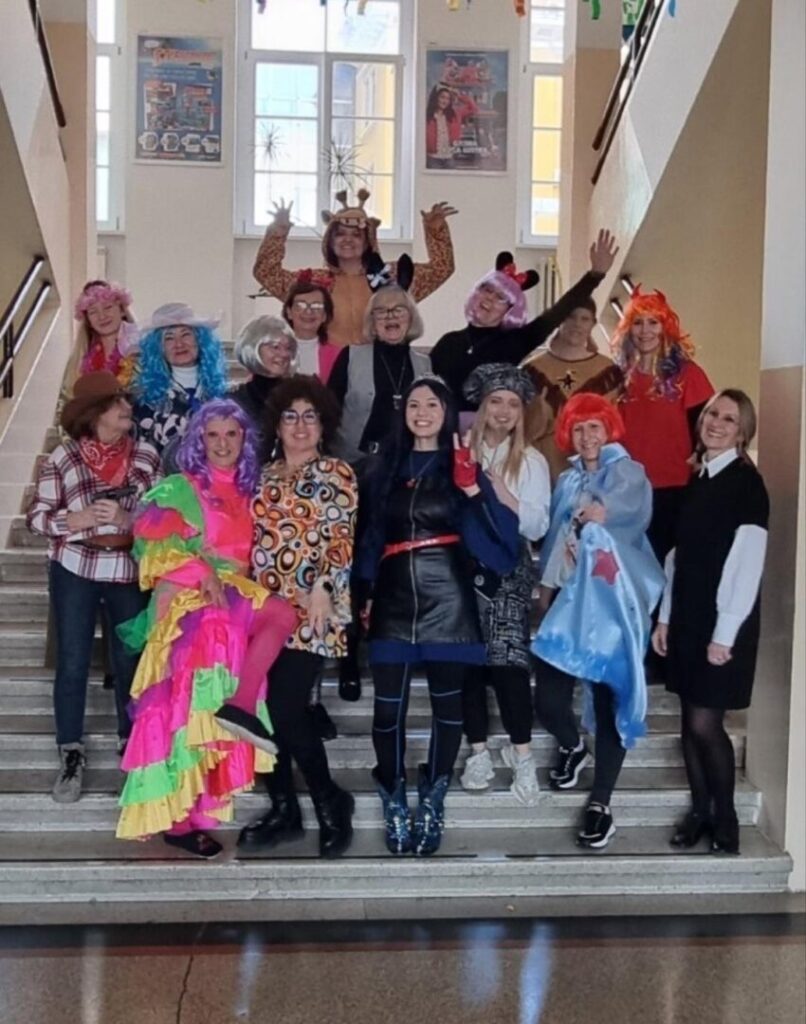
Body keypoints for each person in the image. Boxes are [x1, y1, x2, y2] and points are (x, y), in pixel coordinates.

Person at [116, 399, 297, 859]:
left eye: (231, 434)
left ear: (244, 440)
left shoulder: (253, 489)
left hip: (237, 595)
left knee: (280, 618)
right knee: (188, 709)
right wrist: (202, 573)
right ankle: (178, 821)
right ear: (198, 440)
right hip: (194, 600)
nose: (222, 444)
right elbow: (152, 546)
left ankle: (240, 707)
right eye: (212, 435)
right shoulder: (180, 487)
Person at [354, 375, 520, 857]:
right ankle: (393, 795)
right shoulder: (382, 467)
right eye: (414, 404)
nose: (422, 412)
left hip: (449, 596)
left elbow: (505, 542)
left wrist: (472, 489)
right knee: (388, 711)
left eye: (432, 404)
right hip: (392, 597)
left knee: (449, 709)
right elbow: (369, 537)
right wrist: (363, 592)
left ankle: (433, 797)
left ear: (447, 413)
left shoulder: (463, 465)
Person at [532, 393, 664, 849]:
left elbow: (625, 515)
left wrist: (600, 515)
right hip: (567, 602)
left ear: (610, 430)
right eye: (579, 427)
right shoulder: (568, 480)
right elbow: (555, 540)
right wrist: (544, 592)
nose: (587, 436)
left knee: (610, 702)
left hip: (611, 605)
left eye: (595, 426)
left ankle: (601, 803)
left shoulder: (626, 472)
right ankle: (572, 745)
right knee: (548, 698)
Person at [26, 371, 161, 802]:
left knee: (131, 660)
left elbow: (164, 517)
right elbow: (36, 518)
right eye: (117, 402)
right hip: (75, 566)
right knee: (72, 660)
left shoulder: (146, 455)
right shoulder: (63, 457)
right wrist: (76, 519)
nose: (127, 408)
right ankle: (70, 751)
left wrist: (128, 519)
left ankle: (132, 746)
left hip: (127, 568)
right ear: (95, 412)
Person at [239, 376, 358, 859]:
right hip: (258, 611)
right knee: (259, 710)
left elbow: (341, 537)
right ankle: (283, 807)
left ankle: (329, 799)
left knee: (286, 707)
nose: (301, 425)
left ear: (323, 424)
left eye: (311, 416)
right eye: (291, 416)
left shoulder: (336, 472)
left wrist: (325, 587)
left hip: (310, 607)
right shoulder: (261, 476)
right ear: (277, 424)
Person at [653, 390, 768, 856]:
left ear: (742, 432)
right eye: (711, 414)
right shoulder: (699, 477)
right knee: (688, 720)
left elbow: (747, 564)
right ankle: (699, 811)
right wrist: (665, 617)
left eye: (728, 419)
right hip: (687, 616)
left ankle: (726, 817)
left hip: (723, 623)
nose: (716, 423)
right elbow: (677, 557)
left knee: (706, 724)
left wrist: (725, 634)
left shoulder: (746, 485)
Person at [457, 364, 551, 805]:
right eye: (496, 400)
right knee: (468, 663)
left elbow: (537, 525)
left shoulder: (530, 461)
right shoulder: (460, 450)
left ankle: (522, 754)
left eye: (513, 404)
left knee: (509, 663)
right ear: (482, 405)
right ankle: (477, 751)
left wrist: (501, 494)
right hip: (461, 566)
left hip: (508, 569)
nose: (504, 410)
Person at [430, 232, 619, 411]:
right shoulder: (448, 342)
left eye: (501, 298)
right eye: (487, 290)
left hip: (490, 429)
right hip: (445, 430)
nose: (490, 299)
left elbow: (559, 311)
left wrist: (595, 275)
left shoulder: (515, 341)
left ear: (510, 309)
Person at [253, 189, 457, 346]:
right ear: (330, 241)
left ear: (368, 241)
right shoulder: (313, 282)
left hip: (377, 369)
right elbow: (267, 273)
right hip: (327, 370)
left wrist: (435, 230)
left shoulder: (392, 278)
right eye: (340, 234)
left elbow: (441, 268)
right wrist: (278, 231)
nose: (348, 240)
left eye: (356, 235)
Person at [611, 287, 714, 562]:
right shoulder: (616, 378)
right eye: (638, 323)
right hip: (627, 489)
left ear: (665, 328)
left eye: (653, 322)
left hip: (675, 488)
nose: (645, 331)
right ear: (628, 329)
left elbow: (707, 429)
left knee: (666, 566)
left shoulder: (689, 374)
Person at [329, 259, 431, 464]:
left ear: (411, 318)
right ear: (372, 321)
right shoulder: (350, 357)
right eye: (381, 311)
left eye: (399, 310)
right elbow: (328, 411)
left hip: (405, 464)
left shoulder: (425, 365)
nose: (390, 317)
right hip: (352, 463)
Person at [522, 298, 623, 481]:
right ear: (559, 319)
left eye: (584, 319)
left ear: (593, 323)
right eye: (570, 316)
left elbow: (613, 428)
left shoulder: (608, 372)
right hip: (542, 467)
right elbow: (520, 429)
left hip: (593, 469)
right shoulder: (532, 370)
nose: (577, 324)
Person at [131, 302, 228, 465]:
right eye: (169, 338)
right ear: (158, 348)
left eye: (186, 334)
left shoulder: (225, 393)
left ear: (200, 340)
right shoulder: (143, 400)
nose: (179, 344)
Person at [230, 315, 296, 457]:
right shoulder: (233, 402)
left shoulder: (300, 396)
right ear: (253, 348)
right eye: (275, 347)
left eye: (288, 348)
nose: (284, 354)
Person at [64, 280, 139, 389]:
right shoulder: (77, 360)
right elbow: (66, 396)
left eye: (108, 307)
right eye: (93, 312)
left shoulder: (141, 350)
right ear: (88, 321)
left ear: (122, 310)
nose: (102, 316)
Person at [280, 271, 341, 383]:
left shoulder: (338, 355)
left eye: (317, 306)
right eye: (301, 305)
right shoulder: (272, 351)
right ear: (289, 312)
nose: (308, 311)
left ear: (324, 316)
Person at [425, 85, 477, 169]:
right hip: (432, 158)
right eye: (442, 97)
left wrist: (459, 95)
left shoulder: (455, 114)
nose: (445, 101)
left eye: (448, 99)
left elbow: (473, 108)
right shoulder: (427, 115)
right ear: (436, 98)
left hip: (449, 158)